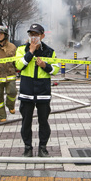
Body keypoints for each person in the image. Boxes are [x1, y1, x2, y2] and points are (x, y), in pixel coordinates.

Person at [15, 23, 59, 157]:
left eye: (36, 34)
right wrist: (31, 52)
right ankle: (28, 148)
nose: (33, 37)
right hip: (27, 92)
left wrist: (45, 65)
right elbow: (18, 65)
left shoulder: (50, 51)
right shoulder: (22, 49)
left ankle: (42, 148)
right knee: (26, 122)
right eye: (31, 34)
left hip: (43, 92)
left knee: (44, 122)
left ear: (42, 36)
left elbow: (55, 70)